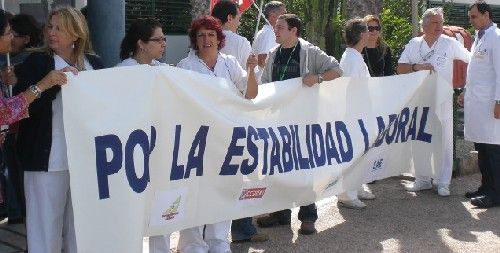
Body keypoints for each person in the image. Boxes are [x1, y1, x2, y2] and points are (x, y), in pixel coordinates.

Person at [13, 7, 104, 253]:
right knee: (44, 232)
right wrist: (49, 83)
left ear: (76, 34)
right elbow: (19, 108)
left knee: (81, 230)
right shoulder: (35, 62)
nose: (51, 33)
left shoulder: (94, 63)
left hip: (84, 161)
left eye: (59, 28)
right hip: (46, 160)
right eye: (49, 27)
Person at [176, 16, 258, 253]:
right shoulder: (185, 66)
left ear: (219, 38)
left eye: (211, 35)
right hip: (197, 139)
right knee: (195, 190)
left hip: (226, 138)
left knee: (223, 188)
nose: (206, 39)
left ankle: (218, 240)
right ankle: (192, 242)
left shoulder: (231, 62)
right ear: (195, 40)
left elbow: (250, 94)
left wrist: (252, 70)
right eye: (201, 35)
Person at [256, 14, 342, 235]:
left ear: (293, 31)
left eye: (280, 28)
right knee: (278, 167)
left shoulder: (310, 52)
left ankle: (308, 217)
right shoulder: (274, 54)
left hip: (304, 122)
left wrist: (318, 78)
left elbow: (337, 70)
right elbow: (265, 84)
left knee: (304, 168)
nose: (275, 31)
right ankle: (281, 214)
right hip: (278, 122)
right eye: (276, 27)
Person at [211, 0, 269, 244]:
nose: (240, 20)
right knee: (242, 173)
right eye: (238, 16)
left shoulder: (203, 41)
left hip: (212, 116)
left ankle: (212, 234)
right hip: (237, 115)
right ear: (229, 19)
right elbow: (250, 77)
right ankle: (242, 228)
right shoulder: (240, 43)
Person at [397, 7, 470, 197]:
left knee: (444, 140)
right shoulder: (414, 44)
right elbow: (400, 68)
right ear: (425, 25)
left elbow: (470, 59)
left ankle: (442, 181)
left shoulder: (450, 43)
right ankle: (422, 179)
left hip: (443, 99)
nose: (440, 26)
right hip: (419, 100)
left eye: (441, 22)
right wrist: (417, 66)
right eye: (436, 22)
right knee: (420, 138)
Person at [116, 18, 171, 252]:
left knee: (163, 208)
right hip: (133, 152)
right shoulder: (120, 73)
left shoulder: (166, 71)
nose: (164, 44)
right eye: (158, 39)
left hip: (161, 149)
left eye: (164, 39)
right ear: (141, 43)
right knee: (133, 210)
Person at [458, 0, 500, 208]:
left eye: (474, 16)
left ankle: (496, 194)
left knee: (492, 150)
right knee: (482, 147)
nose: (471, 21)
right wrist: (466, 91)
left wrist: (499, 101)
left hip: (491, 103)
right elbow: (475, 71)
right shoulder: (480, 37)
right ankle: (486, 188)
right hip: (478, 102)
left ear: (486, 15)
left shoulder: (496, 38)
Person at [337, 18, 376, 210]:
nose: (370, 34)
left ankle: (357, 187)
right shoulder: (352, 58)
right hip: (353, 113)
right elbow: (350, 89)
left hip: (360, 112)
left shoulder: (355, 56)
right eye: (368, 30)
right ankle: (346, 194)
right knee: (352, 153)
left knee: (361, 152)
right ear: (361, 35)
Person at [253, 1, 286, 68]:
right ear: (273, 16)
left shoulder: (270, 33)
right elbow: (262, 61)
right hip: (267, 78)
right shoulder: (268, 34)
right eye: (284, 14)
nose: (287, 18)